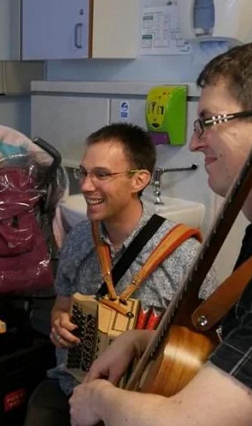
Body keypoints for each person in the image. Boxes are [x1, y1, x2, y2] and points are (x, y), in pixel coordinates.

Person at [69, 38, 252, 426]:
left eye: (208, 122)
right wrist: (140, 341)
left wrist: (97, 398)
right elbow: (243, 352)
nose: (196, 142)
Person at [24, 123, 216, 426]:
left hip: (139, 403)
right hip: (71, 386)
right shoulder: (79, 239)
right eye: (84, 173)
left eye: (101, 175)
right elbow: (61, 305)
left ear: (139, 180)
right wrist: (59, 324)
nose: (86, 186)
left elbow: (207, 344)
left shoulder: (183, 255)